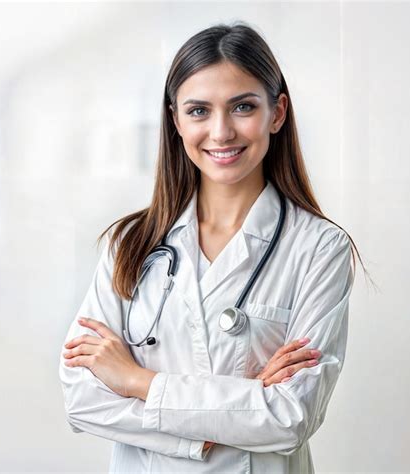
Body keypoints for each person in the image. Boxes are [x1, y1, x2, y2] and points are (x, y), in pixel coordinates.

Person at [59, 22, 369, 473]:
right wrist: (229, 417)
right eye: (199, 110)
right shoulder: (130, 244)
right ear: (176, 120)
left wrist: (135, 380)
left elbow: (290, 417)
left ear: (277, 113)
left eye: (243, 106)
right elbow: (83, 399)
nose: (221, 132)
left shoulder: (319, 249)